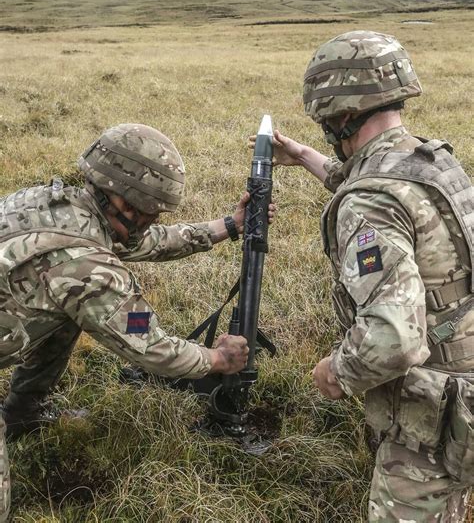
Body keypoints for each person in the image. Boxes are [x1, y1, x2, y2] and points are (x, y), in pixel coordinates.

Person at [0, 122, 272, 521]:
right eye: (151, 212)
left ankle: (21, 414)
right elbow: (151, 345)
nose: (153, 219)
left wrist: (227, 226)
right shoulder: (88, 269)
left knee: (64, 317)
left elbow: (146, 241)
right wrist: (217, 359)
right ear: (125, 203)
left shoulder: (55, 205)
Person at [265, 31, 473, 522]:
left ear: (339, 118)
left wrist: (337, 372)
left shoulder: (369, 205)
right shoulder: (431, 161)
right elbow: (364, 178)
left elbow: (393, 338)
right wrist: (300, 157)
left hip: (435, 417)